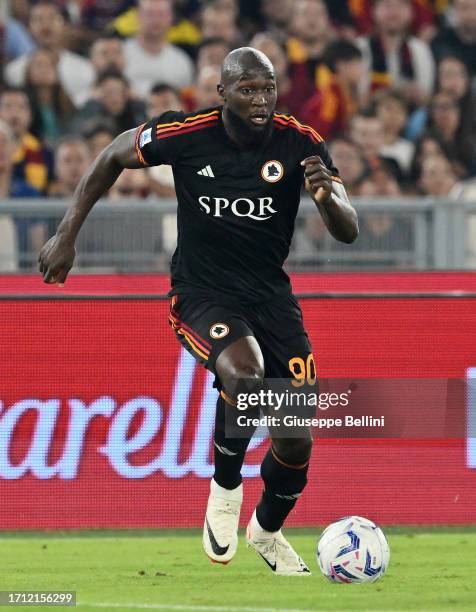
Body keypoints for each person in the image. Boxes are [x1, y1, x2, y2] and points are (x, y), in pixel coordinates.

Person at [38, 47, 358, 575]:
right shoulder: (186, 134)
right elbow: (113, 155)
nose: (260, 100)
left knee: (296, 438)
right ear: (223, 93)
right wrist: (66, 233)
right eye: (248, 89)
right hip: (201, 293)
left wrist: (329, 201)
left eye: (268, 88)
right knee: (245, 371)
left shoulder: (300, 142)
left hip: (271, 299)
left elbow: (348, 231)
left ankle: (267, 530)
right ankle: (225, 491)